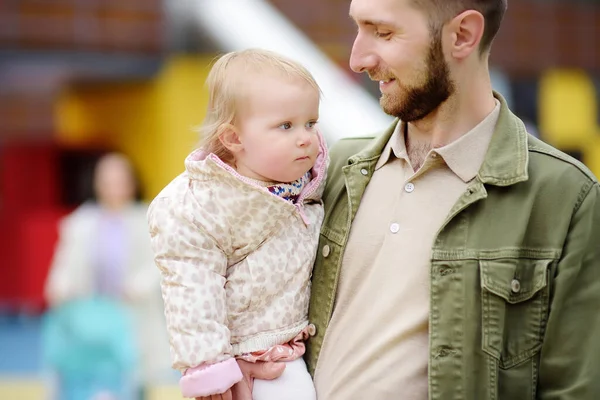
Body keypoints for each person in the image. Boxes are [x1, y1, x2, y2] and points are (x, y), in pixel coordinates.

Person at [231, 0, 600, 399]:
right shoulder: (325, 171)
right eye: (358, 28)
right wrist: (244, 355)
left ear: (462, 35)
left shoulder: (565, 196)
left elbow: (575, 389)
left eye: (383, 32)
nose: (357, 59)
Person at [147, 49, 327, 400]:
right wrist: (210, 371)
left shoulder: (307, 184)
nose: (306, 137)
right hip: (251, 357)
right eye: (286, 126)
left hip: (295, 341)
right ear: (234, 139)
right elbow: (191, 286)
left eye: (311, 123)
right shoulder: (203, 205)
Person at [44, 153, 172, 399]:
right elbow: (64, 265)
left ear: (132, 183)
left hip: (132, 316)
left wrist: (136, 287)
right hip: (89, 319)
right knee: (90, 378)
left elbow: (159, 262)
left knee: (133, 379)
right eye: (107, 180)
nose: (113, 187)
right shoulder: (81, 221)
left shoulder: (147, 218)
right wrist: (60, 289)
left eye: (119, 180)